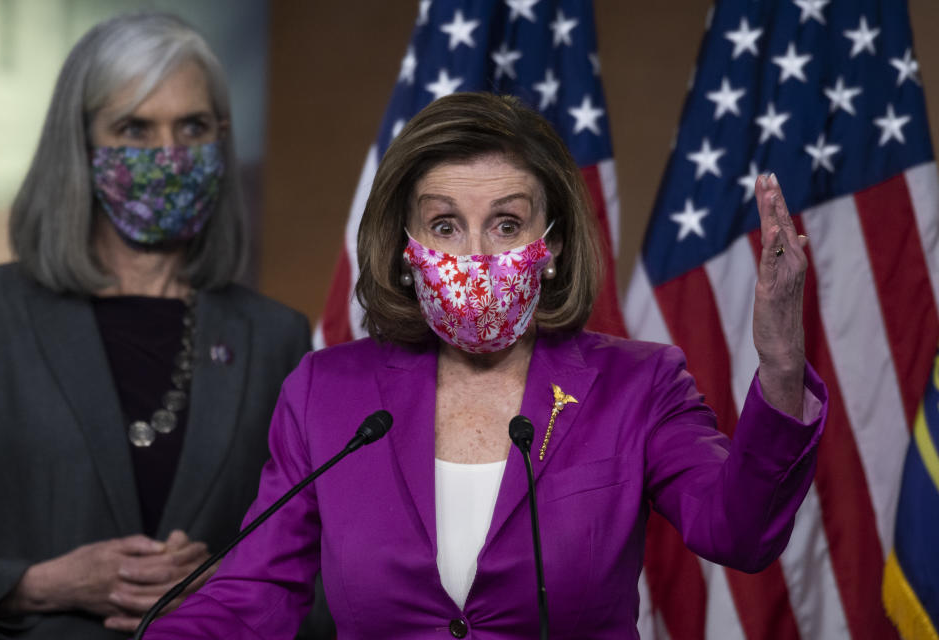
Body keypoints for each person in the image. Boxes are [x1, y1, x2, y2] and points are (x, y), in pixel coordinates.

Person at [144, 92, 827, 639]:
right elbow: (258, 592)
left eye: (506, 224)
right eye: (445, 225)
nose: (475, 254)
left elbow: (740, 533)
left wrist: (782, 365)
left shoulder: (636, 386)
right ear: (406, 246)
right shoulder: (328, 393)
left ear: (552, 243)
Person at [0, 12, 313, 639]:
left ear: (222, 137)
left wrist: (231, 582)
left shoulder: (277, 338)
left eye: (191, 127)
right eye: (135, 128)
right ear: (78, 146)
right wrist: (34, 587)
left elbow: (317, 569)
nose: (169, 155)